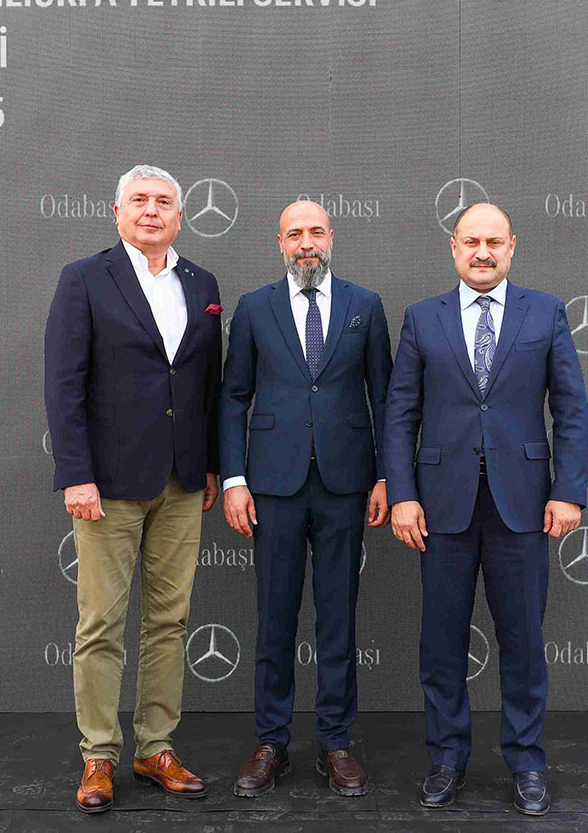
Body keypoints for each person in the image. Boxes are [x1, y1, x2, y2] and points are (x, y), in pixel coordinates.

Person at [382, 202, 588, 816]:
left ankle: (527, 761)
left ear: (511, 247)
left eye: (493, 243)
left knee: (523, 641)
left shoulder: (546, 312)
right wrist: (403, 494)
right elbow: (400, 414)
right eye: (471, 241)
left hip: (522, 506)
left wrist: (568, 489)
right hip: (439, 505)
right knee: (441, 642)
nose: (482, 252)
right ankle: (446, 759)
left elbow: (571, 410)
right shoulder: (422, 317)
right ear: (453, 247)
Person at [44, 164, 222, 814]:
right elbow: (63, 383)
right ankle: (99, 755)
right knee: (101, 623)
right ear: (117, 212)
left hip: (182, 480)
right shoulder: (84, 278)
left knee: (169, 621)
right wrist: (76, 474)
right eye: (139, 200)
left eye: (164, 201)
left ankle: (155, 747)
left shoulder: (201, 283)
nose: (152, 210)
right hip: (108, 483)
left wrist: (211, 465)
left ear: (179, 215)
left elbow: (208, 383)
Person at [219, 200, 393, 798]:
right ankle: (271, 742)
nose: (306, 243)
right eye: (294, 234)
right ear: (280, 243)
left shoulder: (366, 305)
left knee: (338, 617)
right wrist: (234, 479)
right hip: (273, 485)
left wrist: (387, 477)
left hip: (346, 483)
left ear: (331, 237)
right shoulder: (254, 307)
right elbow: (233, 397)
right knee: (275, 616)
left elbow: (386, 397)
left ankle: (335, 742)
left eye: (316, 231)